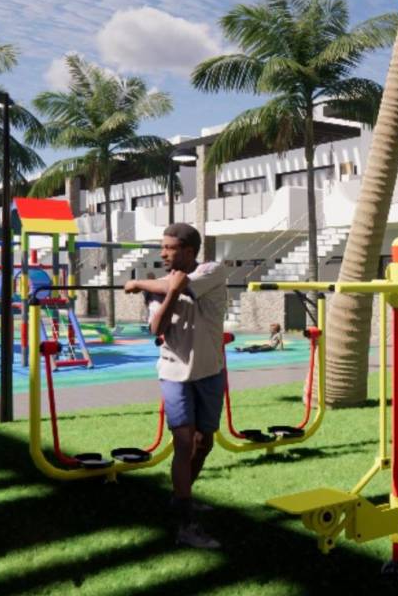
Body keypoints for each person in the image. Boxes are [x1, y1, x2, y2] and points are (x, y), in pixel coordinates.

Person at [124, 223, 228, 550]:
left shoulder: (212, 271)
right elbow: (157, 328)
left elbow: (187, 284)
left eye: (169, 248)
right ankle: (185, 524)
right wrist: (168, 291)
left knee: (204, 442)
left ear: (188, 250)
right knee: (184, 444)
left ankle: (182, 496)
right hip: (173, 373)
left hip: (210, 372)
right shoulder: (158, 288)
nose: (163, 253)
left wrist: (138, 282)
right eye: (163, 247)